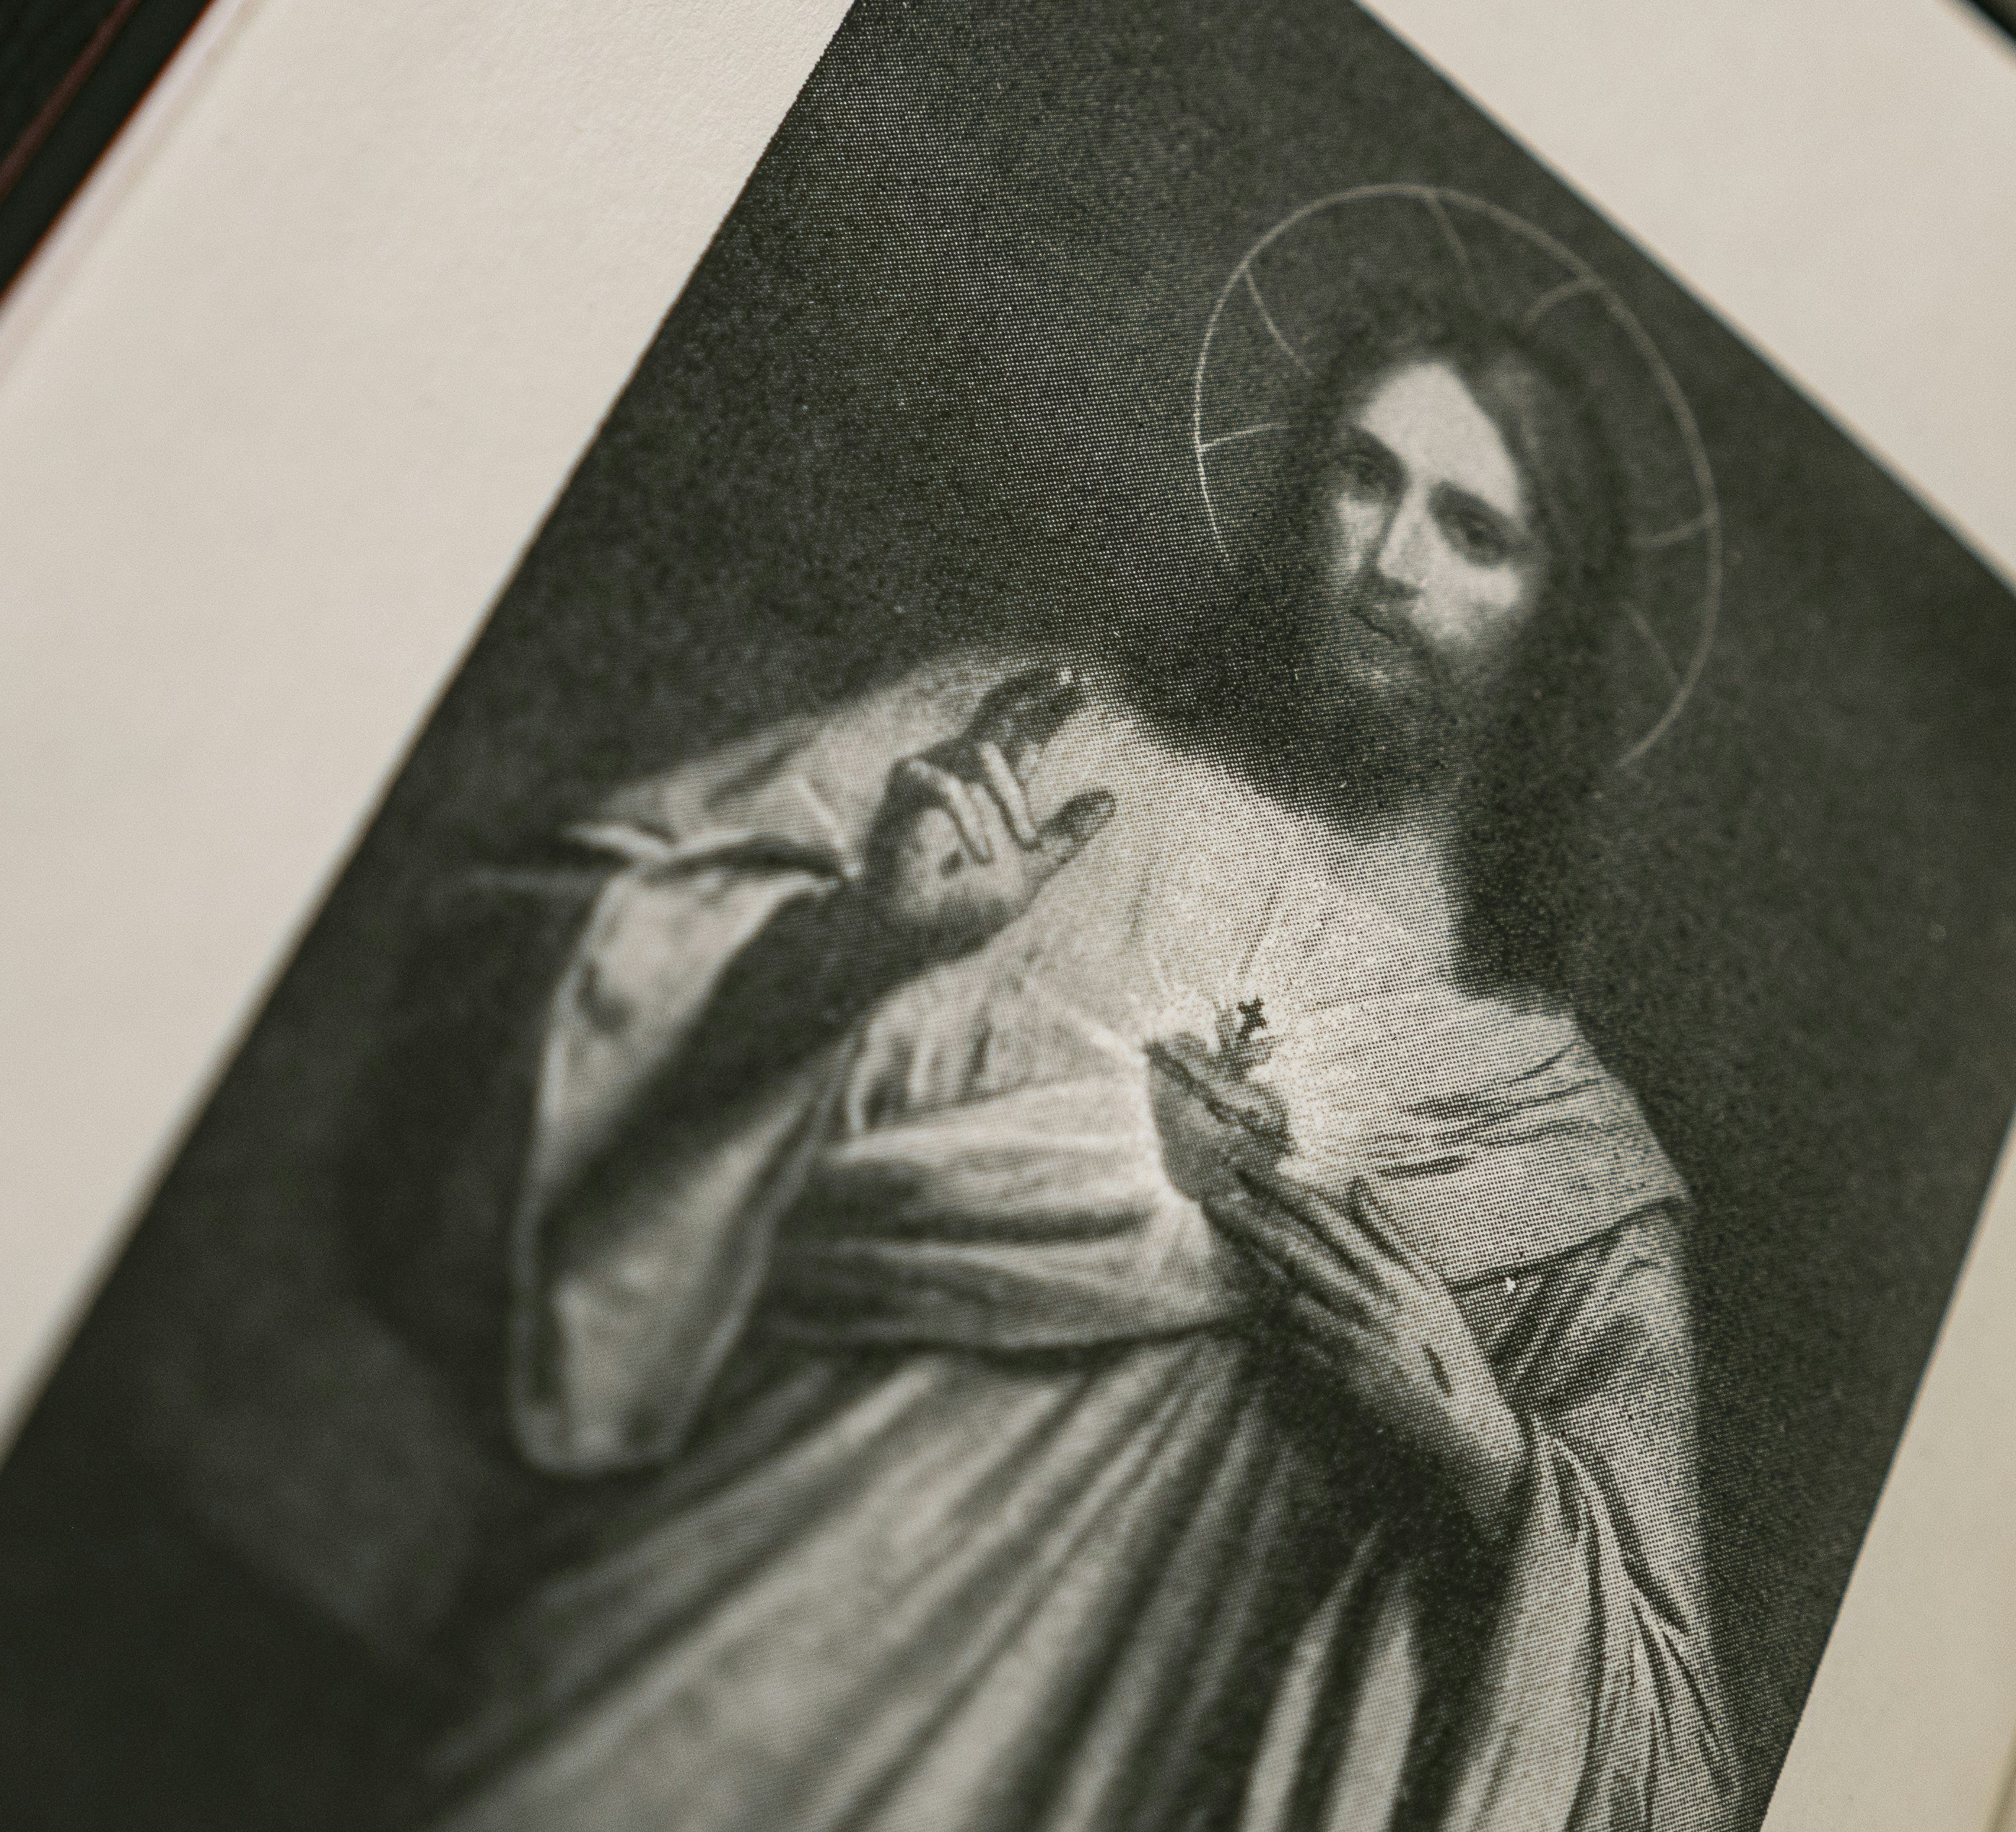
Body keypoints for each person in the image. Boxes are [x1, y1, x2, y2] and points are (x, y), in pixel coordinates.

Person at [414, 295, 1737, 1832]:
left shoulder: (1558, 1150)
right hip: (717, 1638)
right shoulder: (1035, 747)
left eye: (1474, 531)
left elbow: (1668, 1768)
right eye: (1364, 477)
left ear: (1551, 622)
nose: (1391, 562)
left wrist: (1490, 1463)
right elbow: (537, 959)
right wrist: (855, 940)